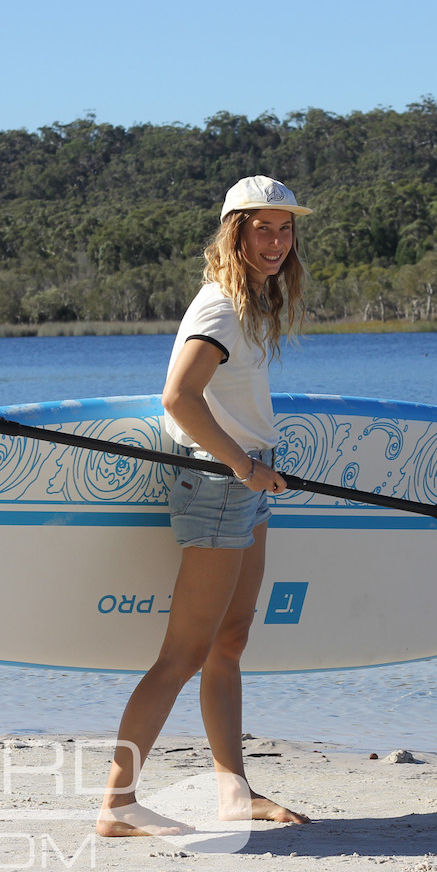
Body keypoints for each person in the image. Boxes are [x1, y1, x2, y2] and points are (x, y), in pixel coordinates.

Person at [97, 176, 314, 837]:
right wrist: (243, 464)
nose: (276, 241)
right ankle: (117, 803)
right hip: (221, 488)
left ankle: (233, 792)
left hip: (242, 488)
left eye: (285, 229)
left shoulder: (249, 304)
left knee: (229, 642)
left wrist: (252, 463)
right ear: (235, 232)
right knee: (185, 653)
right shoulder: (219, 308)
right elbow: (178, 397)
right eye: (263, 228)